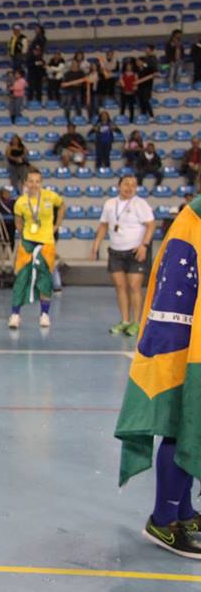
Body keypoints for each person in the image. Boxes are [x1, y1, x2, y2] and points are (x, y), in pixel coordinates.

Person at [113, 192, 201, 559]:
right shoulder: (191, 222)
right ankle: (162, 520)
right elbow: (176, 289)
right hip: (181, 341)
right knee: (180, 423)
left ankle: (182, 512)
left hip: (186, 338)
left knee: (188, 425)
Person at [91, 174, 156, 336]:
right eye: (126, 184)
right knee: (120, 287)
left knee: (134, 286)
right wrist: (96, 245)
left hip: (135, 251)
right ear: (119, 186)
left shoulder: (140, 204)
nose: (130, 188)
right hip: (115, 251)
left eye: (133, 185)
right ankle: (125, 320)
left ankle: (137, 322)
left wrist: (144, 246)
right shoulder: (110, 204)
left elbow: (151, 225)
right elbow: (104, 225)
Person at [9, 168, 65, 330]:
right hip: (27, 243)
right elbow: (18, 222)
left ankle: (44, 314)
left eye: (37, 181)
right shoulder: (20, 202)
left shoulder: (50, 196)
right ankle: (15, 315)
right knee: (21, 278)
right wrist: (25, 235)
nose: (34, 184)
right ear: (25, 183)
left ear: (41, 182)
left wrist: (56, 226)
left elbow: (62, 206)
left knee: (45, 279)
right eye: (31, 181)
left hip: (46, 244)